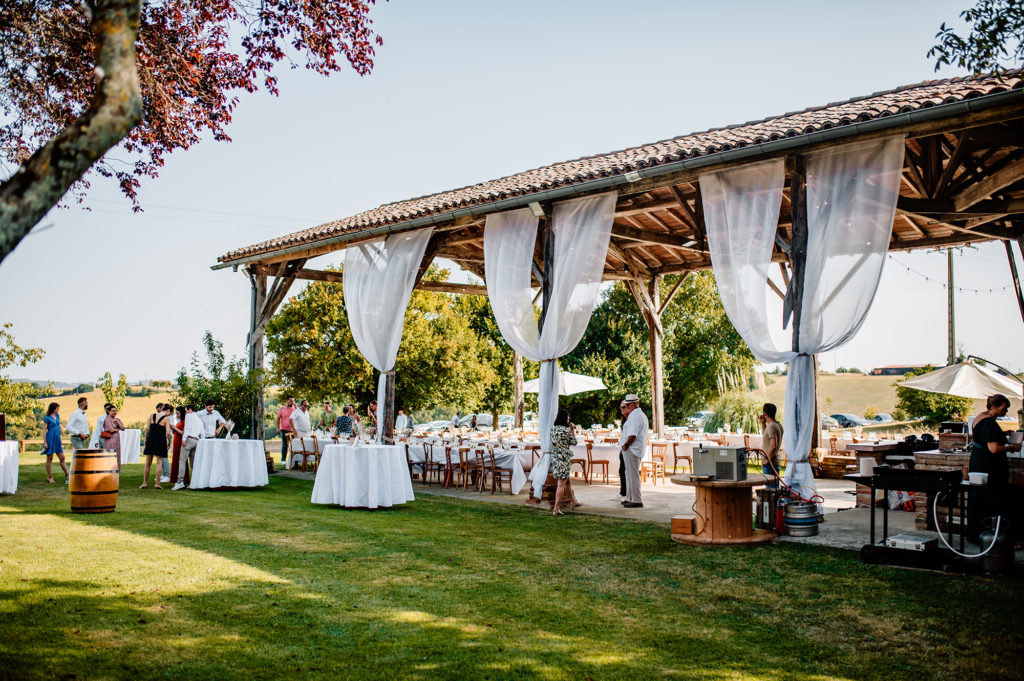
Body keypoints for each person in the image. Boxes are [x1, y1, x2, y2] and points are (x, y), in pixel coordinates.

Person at [968, 394, 1022, 539]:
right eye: (1004, 408)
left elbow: (984, 436)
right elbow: (993, 449)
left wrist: (1002, 434)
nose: (1006, 411)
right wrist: (1013, 447)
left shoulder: (981, 416)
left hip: (977, 462)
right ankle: (992, 536)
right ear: (994, 407)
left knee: (978, 497)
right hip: (989, 465)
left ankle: (976, 534)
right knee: (991, 498)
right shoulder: (990, 424)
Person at [618, 394, 649, 508]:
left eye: (628, 405)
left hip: (632, 449)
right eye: (625, 405)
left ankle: (636, 499)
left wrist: (626, 445)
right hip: (633, 449)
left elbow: (632, 435)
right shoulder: (637, 415)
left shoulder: (636, 416)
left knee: (632, 475)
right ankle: (630, 497)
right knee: (629, 474)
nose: (626, 407)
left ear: (635, 404)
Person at [550, 409, 581, 515]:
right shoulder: (566, 430)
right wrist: (572, 429)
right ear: (565, 418)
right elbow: (574, 442)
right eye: (568, 417)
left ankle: (573, 502)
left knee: (567, 481)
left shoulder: (553, 429)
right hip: (563, 458)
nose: (569, 419)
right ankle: (556, 508)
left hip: (555, 457)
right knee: (561, 484)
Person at [172, 406, 205, 490]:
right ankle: (195, 482)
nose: (185, 412)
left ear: (190, 410)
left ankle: (180, 482)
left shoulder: (189, 416)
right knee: (193, 462)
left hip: (189, 439)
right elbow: (202, 433)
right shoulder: (199, 419)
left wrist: (183, 439)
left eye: (186, 411)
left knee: (182, 461)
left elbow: (187, 428)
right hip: (196, 440)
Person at [141, 404, 172, 489]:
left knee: (148, 462)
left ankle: (145, 483)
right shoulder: (166, 419)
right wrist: (170, 442)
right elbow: (168, 432)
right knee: (159, 462)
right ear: (168, 411)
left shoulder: (152, 416)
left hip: (150, 440)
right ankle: (157, 484)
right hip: (160, 441)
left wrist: (146, 439)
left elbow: (146, 429)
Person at [41, 402, 68, 484]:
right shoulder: (47, 418)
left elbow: (58, 425)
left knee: (62, 457)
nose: (58, 409)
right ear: (53, 409)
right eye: (57, 408)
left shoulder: (57, 416)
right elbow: (44, 430)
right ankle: (49, 477)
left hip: (57, 439)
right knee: (50, 458)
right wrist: (45, 442)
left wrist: (60, 432)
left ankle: (67, 474)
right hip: (50, 439)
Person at [759, 403, 783, 489]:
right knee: (773, 489)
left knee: (771, 490)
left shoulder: (772, 426)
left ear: (765, 413)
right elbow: (765, 435)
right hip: (773, 463)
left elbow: (773, 446)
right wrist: (763, 423)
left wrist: (767, 460)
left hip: (770, 464)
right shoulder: (777, 425)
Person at [102, 404, 126, 472]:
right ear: (109, 412)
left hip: (117, 440)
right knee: (110, 453)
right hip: (109, 440)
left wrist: (118, 424)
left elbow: (123, 428)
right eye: (113, 411)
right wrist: (118, 429)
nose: (115, 412)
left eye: (115, 411)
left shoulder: (117, 419)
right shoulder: (107, 420)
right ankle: (108, 469)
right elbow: (111, 430)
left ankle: (116, 469)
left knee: (117, 453)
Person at [276, 396, 296, 464]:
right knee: (285, 445)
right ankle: (283, 460)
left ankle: (294, 460)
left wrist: (296, 407)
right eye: (290, 401)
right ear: (287, 401)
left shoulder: (295, 409)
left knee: (294, 445)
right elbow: (278, 419)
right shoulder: (282, 409)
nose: (292, 402)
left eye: (293, 401)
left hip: (293, 430)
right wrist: (277, 428)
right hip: (284, 429)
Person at [169, 406, 186, 485]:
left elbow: (183, 432)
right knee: (175, 459)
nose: (177, 415)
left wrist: (175, 428)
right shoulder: (179, 421)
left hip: (180, 442)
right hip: (176, 441)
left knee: (180, 459)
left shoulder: (184, 421)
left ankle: (182, 478)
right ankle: (175, 478)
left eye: (178, 413)